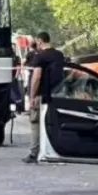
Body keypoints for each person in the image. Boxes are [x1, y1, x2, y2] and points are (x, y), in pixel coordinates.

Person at [23, 31, 65, 164]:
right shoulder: (59, 55)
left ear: (40, 41)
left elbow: (36, 78)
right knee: (54, 124)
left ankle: (34, 154)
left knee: (35, 124)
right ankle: (55, 152)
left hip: (42, 95)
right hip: (57, 94)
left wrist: (31, 96)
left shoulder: (40, 57)